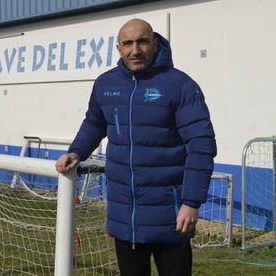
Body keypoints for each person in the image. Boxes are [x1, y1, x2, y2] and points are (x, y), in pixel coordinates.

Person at [55, 18, 217, 275]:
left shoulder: (180, 85)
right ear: (118, 48)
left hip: (171, 217)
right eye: (128, 43)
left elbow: (201, 145)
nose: (135, 50)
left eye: (142, 41)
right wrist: (77, 151)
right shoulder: (105, 84)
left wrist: (191, 202)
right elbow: (94, 124)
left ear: (154, 43)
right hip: (124, 217)